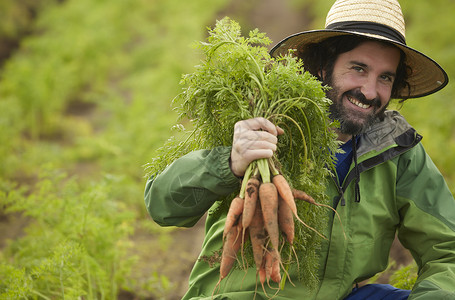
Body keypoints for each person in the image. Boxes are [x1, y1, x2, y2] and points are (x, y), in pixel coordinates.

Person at [144, 0, 455, 299]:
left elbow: (448, 249)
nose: (370, 91)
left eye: (385, 77)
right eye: (358, 69)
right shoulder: (262, 123)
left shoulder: (399, 150)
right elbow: (163, 205)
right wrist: (229, 162)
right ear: (323, 66)